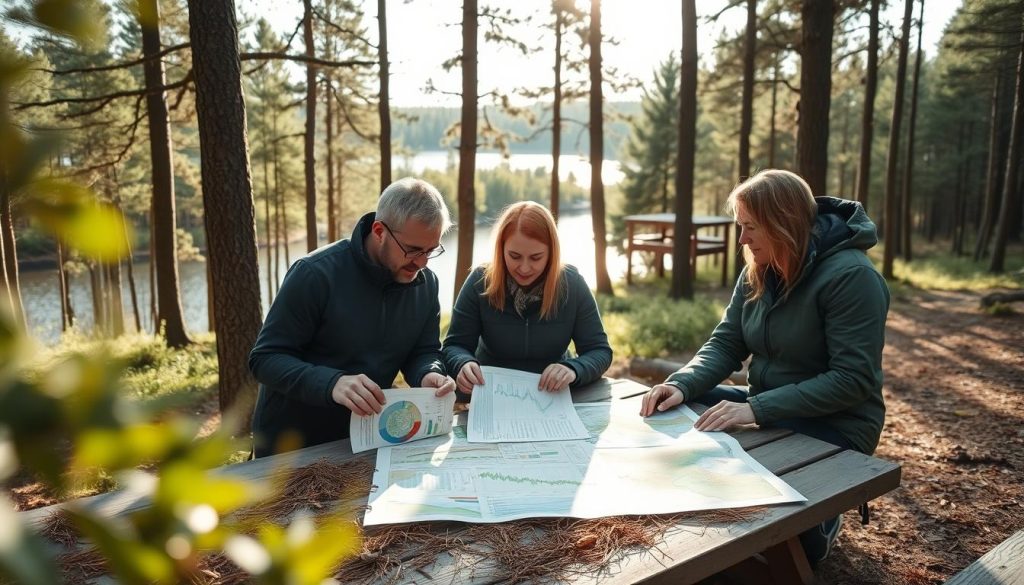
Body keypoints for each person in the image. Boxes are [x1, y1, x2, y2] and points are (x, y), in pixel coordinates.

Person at [639, 169, 890, 565]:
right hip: (768, 406)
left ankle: (825, 522)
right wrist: (683, 384)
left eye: (750, 227)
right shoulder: (758, 268)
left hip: (836, 423)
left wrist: (755, 410)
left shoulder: (852, 277)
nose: (742, 239)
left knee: (787, 543)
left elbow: (852, 380)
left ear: (783, 223)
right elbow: (726, 342)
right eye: (740, 226)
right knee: (683, 403)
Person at [249, 178, 456, 458]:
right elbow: (265, 359)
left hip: (366, 441)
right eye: (412, 250)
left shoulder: (426, 284)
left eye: (430, 250)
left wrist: (428, 372)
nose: (421, 262)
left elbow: (423, 350)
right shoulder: (314, 274)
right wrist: (333, 383)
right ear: (379, 230)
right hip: (291, 447)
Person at [443, 201, 612, 396]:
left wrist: (573, 369)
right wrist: (463, 363)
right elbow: (455, 346)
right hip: (492, 394)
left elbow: (599, 351)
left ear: (551, 253)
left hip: (553, 396)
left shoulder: (572, 284)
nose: (524, 268)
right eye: (514, 256)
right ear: (501, 249)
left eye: (536, 257)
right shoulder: (480, 281)